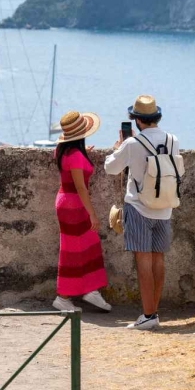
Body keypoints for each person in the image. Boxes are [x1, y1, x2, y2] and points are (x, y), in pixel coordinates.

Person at [104, 95, 181, 330]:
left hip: (139, 207)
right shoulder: (172, 140)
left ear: (136, 120)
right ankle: (153, 313)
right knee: (158, 260)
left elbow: (110, 168)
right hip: (165, 207)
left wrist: (117, 147)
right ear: (156, 116)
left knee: (143, 261)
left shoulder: (132, 144)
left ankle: (148, 315)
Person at [50, 110, 111, 314]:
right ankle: (63, 297)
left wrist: (84, 158)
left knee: (86, 246)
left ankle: (90, 289)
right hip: (74, 205)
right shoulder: (75, 155)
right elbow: (81, 188)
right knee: (74, 250)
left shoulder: (63, 150)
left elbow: (72, 169)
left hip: (66, 202)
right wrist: (92, 213)